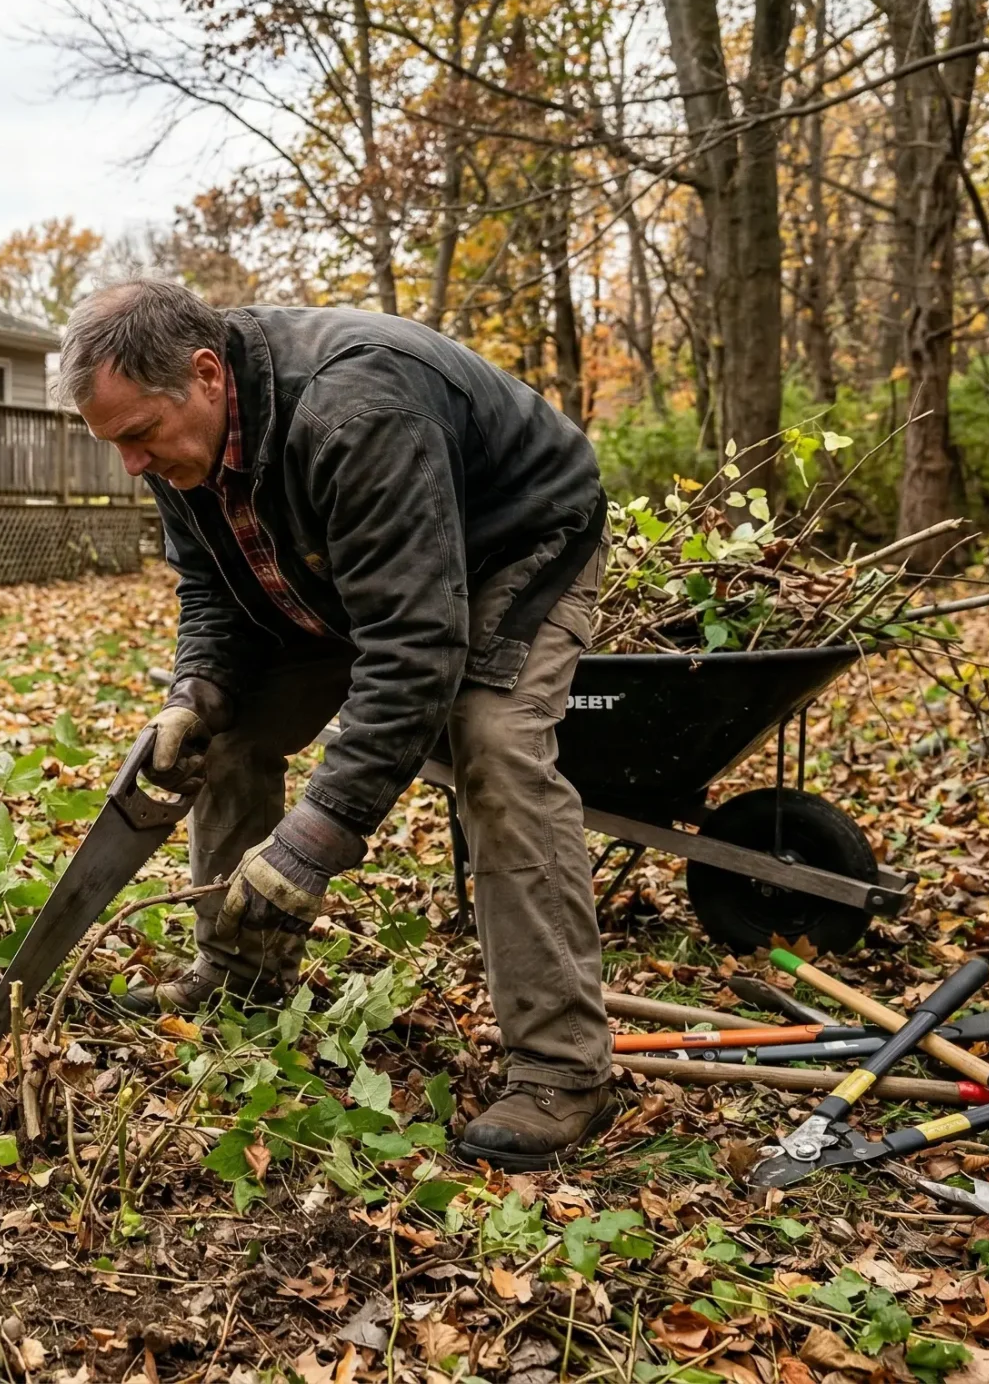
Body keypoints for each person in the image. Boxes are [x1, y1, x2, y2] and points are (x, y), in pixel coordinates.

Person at [63, 279, 612, 1169]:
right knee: (227, 732)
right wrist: (194, 691)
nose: (131, 464)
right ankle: (239, 977)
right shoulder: (181, 440)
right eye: (114, 441)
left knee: (493, 751)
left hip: (516, 542)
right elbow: (211, 585)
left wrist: (313, 843)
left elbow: (416, 646)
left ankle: (561, 1067)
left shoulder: (355, 409)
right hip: (351, 561)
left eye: (137, 437)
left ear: (206, 374)